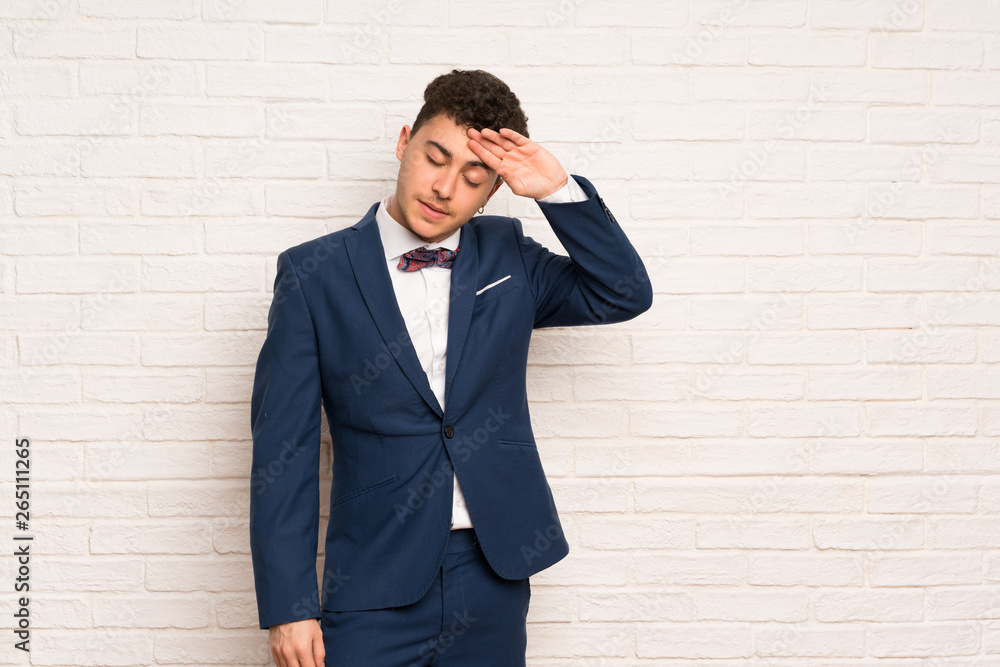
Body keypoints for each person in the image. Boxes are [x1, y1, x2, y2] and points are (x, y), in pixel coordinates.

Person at [249, 68, 653, 667]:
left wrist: (557, 191)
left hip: (493, 571)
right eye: (435, 158)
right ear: (404, 142)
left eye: (472, 177)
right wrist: (289, 606)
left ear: (493, 190)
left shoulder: (509, 256)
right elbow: (284, 452)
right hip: (372, 576)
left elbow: (623, 293)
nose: (443, 188)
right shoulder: (315, 275)